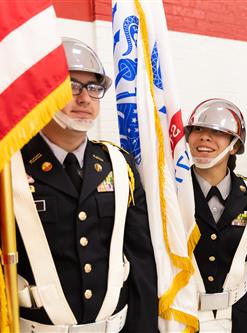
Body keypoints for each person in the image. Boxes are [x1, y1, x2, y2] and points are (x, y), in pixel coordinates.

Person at [12, 37, 158, 332]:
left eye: (93, 88)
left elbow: (140, 258)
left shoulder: (118, 165)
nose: (85, 98)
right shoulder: (9, 169)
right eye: (71, 86)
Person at [185, 98, 247, 333]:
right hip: (183, 318)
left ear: (234, 146)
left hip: (240, 319)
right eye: (198, 130)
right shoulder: (172, 194)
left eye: (217, 132)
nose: (204, 137)